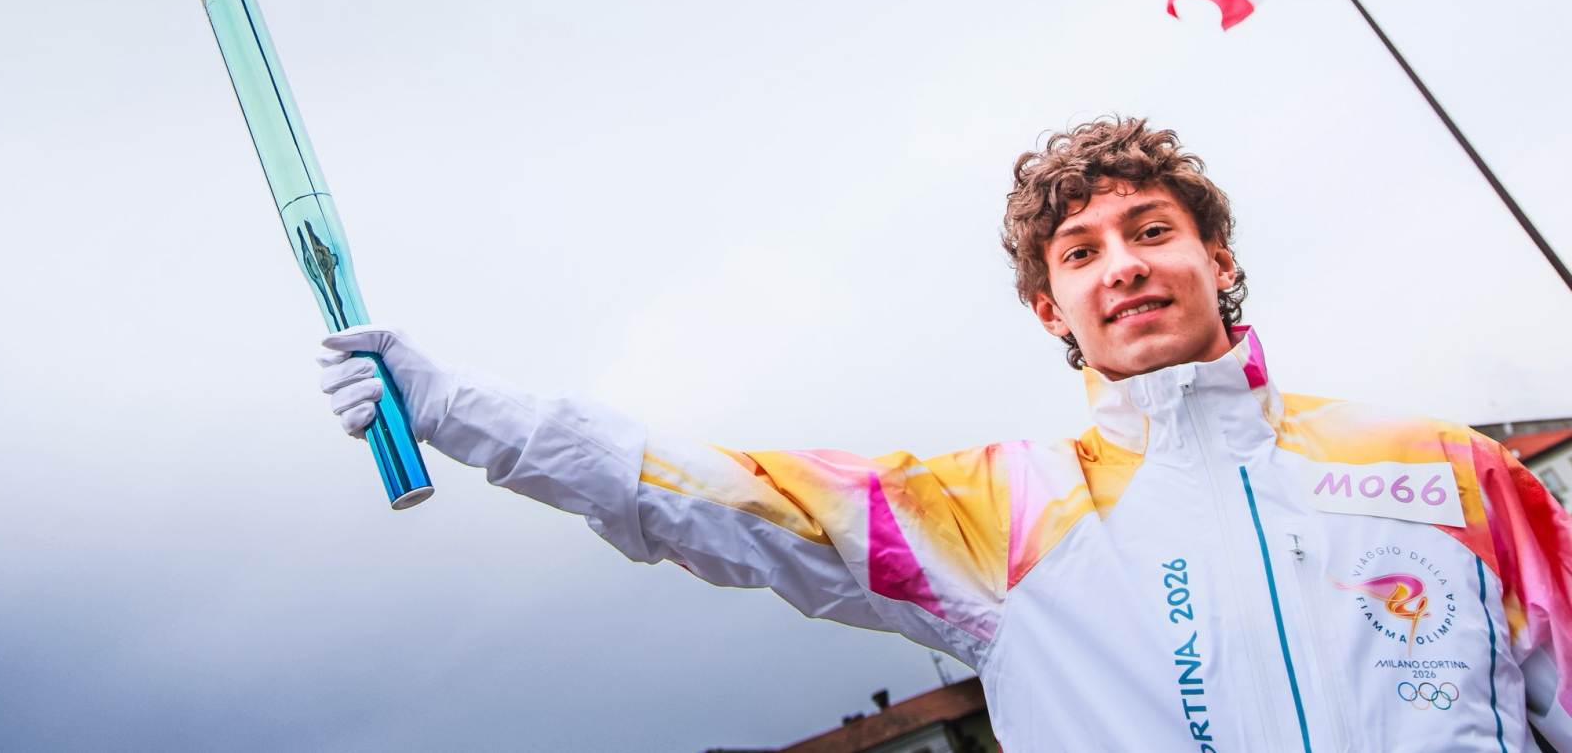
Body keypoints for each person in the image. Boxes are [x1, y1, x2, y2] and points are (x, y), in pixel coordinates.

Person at [315, 116, 1572, 752]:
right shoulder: (1001, 515)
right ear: (1050, 309)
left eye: (1151, 230)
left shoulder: (1445, 471)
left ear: (1218, 257)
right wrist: (458, 408)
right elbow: (711, 494)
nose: (1123, 265)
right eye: (1079, 252)